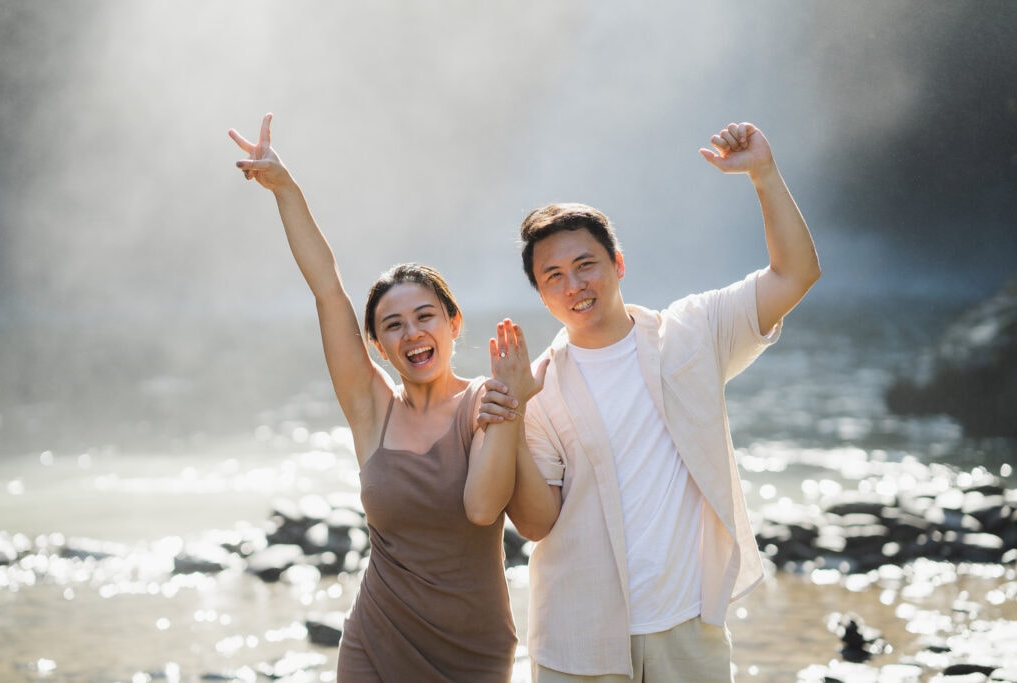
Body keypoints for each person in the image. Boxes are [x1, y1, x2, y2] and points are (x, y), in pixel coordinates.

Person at [480, 122, 821, 682]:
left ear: (618, 263)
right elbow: (537, 524)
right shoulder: (539, 384)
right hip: (577, 638)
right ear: (541, 293)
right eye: (554, 276)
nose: (574, 285)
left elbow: (796, 273)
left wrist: (763, 173)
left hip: (687, 628)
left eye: (586, 264)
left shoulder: (693, 332)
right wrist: (513, 415)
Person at [228, 113, 540, 683]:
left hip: (472, 652)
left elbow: (481, 509)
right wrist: (286, 190)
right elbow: (327, 289)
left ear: (453, 323)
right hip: (376, 640)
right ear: (376, 343)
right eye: (392, 325)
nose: (412, 333)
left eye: (425, 316)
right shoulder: (371, 409)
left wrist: (510, 408)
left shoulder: (488, 401)